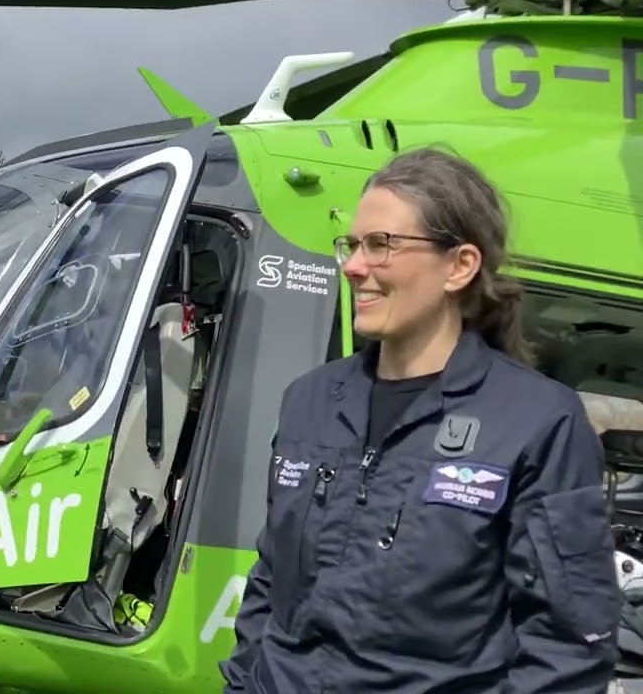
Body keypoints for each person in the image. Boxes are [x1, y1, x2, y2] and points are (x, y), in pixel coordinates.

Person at [219, 146, 623, 693]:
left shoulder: (537, 421)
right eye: (353, 245)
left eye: (382, 245)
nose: (355, 266)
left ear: (460, 266)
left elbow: (571, 643)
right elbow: (270, 582)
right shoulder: (310, 400)